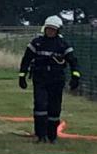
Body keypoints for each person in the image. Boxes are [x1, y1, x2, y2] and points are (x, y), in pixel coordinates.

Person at [20, 15, 82, 143]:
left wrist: (75, 76)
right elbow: (26, 59)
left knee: (54, 109)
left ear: (58, 30)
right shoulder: (36, 43)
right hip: (40, 78)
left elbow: (73, 62)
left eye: (53, 30)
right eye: (49, 29)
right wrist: (22, 76)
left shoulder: (63, 45)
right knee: (40, 106)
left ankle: (52, 135)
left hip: (56, 80)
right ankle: (40, 135)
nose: (50, 32)